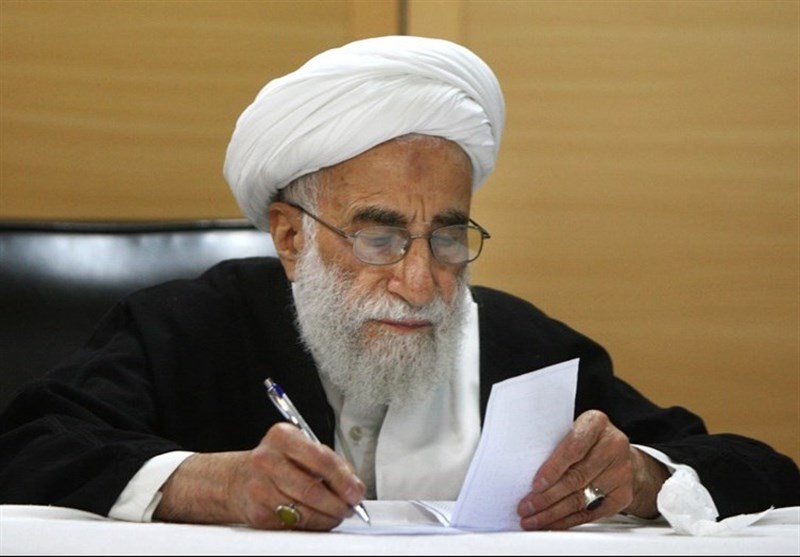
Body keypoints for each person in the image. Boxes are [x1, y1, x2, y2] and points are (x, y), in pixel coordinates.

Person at [0, 35, 797, 533]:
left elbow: (757, 469)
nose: (421, 281)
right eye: (379, 236)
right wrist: (215, 484)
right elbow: (29, 445)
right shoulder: (184, 326)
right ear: (291, 236)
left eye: (447, 236)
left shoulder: (520, 343)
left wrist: (643, 477)